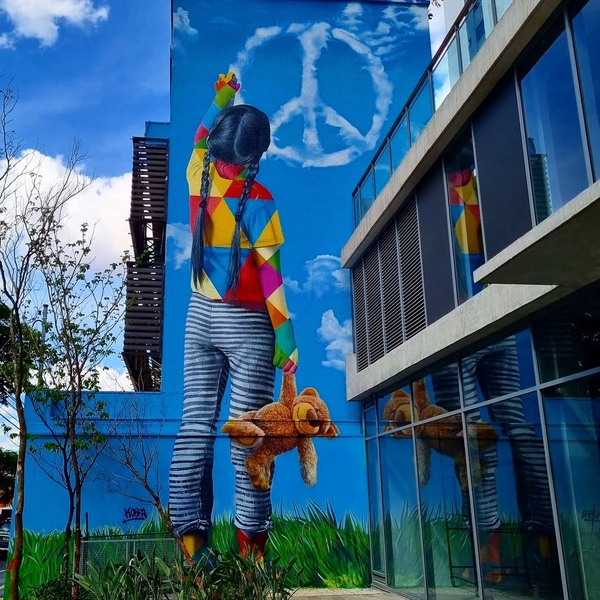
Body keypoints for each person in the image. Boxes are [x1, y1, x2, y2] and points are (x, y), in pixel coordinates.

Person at [169, 72, 298, 561]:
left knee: (194, 428)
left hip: (199, 317)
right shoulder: (260, 201)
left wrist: (221, 96)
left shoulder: (196, 174)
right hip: (249, 327)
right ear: (255, 157)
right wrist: (285, 334)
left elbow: (199, 136)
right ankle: (252, 558)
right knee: (248, 436)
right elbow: (270, 275)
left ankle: (191, 549)